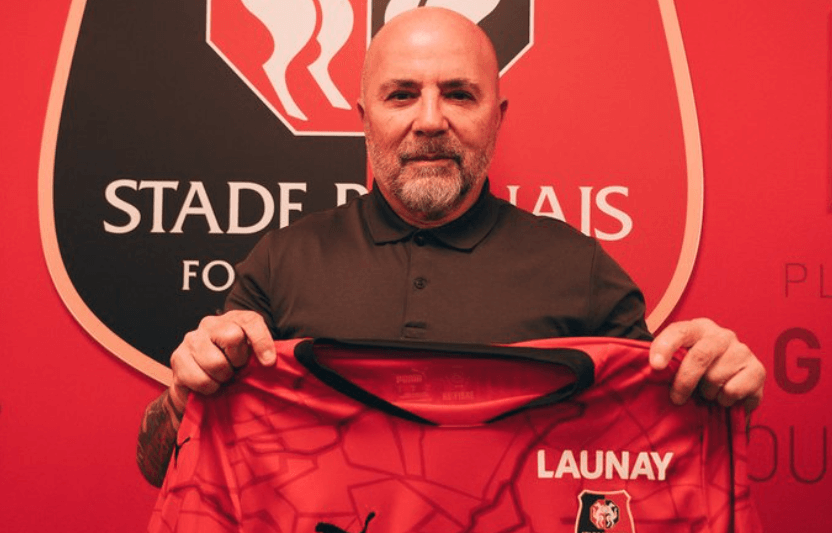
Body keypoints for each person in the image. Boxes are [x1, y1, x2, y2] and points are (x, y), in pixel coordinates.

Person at [136, 7, 764, 487]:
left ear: (499, 115)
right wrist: (182, 398)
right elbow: (160, 468)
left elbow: (655, 457)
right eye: (402, 94)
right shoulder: (282, 262)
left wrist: (714, 383)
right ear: (364, 116)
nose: (431, 120)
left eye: (459, 94)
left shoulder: (581, 271)